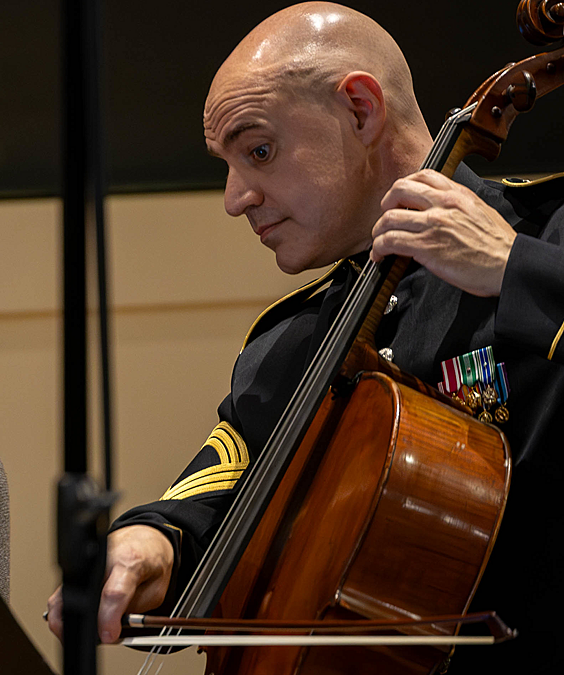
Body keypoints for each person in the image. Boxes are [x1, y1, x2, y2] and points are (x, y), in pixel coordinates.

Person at [47, 2, 564, 671]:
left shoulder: (546, 237)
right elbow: (218, 492)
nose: (236, 197)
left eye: (258, 151)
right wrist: (152, 542)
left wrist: (513, 270)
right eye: (228, 165)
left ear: (360, 109)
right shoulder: (293, 343)